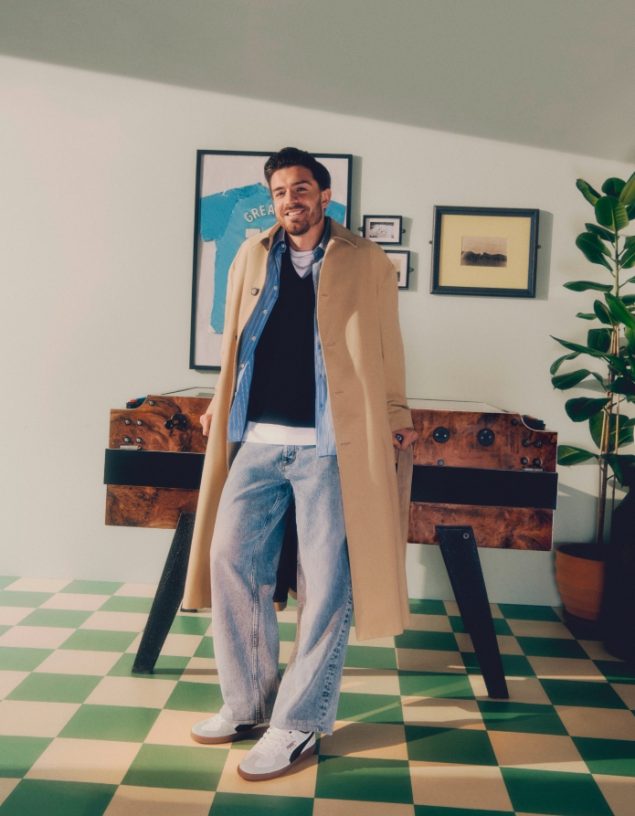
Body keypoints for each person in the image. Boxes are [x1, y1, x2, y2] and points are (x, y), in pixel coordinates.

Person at [187, 146, 417, 781]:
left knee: (325, 583)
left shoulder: (365, 260)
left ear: (324, 195)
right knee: (230, 560)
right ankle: (248, 704)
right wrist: (220, 400)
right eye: (281, 191)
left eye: (302, 188)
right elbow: (235, 343)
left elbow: (386, 342)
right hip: (258, 438)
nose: (291, 199)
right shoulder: (251, 254)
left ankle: (298, 722)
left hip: (329, 443)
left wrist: (395, 412)